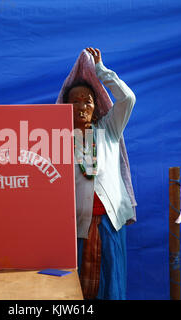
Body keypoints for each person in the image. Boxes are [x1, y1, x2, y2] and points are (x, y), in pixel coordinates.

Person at [58, 47, 137, 299]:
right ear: (66, 106)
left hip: (109, 225)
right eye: (76, 100)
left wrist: (102, 71)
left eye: (88, 100)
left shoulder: (109, 129)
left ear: (96, 106)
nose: (82, 105)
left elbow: (127, 99)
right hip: (74, 229)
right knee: (76, 291)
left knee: (110, 287)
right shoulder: (57, 139)